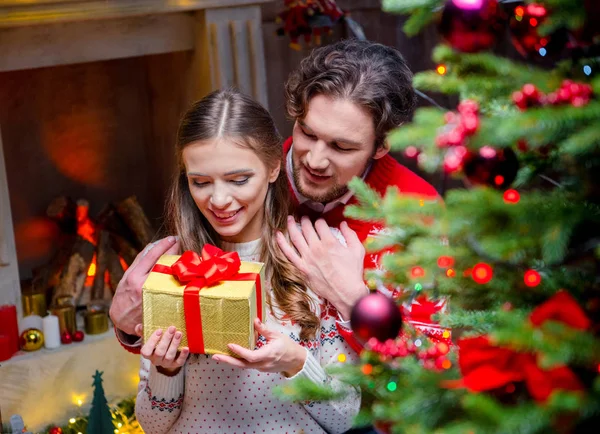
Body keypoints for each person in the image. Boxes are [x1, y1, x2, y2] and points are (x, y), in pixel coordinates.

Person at [110, 39, 444, 354]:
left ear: (381, 146)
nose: (314, 160)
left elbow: (432, 363)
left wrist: (355, 302)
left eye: (342, 146)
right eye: (307, 133)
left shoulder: (419, 217)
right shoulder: (247, 180)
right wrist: (131, 329)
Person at [133, 89, 359, 433]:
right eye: (201, 182)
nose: (219, 200)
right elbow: (152, 424)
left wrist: (296, 363)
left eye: (239, 180)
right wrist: (165, 371)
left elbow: (344, 418)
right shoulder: (171, 267)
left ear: (272, 168)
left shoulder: (318, 255)